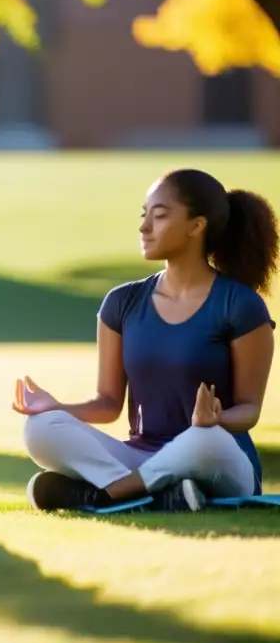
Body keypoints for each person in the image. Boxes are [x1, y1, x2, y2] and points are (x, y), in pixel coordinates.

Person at [16, 168, 277, 512]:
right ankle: (159, 492)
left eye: (160, 215)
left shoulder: (240, 305)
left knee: (202, 440)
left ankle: (110, 493)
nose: (144, 227)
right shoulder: (122, 302)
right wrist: (57, 408)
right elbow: (108, 403)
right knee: (40, 428)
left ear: (196, 226)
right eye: (144, 215)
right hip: (141, 455)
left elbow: (250, 410)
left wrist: (218, 420)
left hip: (217, 457)